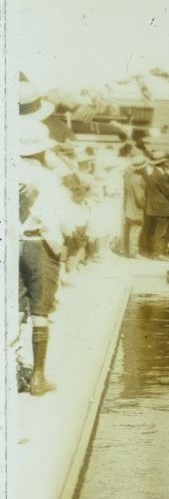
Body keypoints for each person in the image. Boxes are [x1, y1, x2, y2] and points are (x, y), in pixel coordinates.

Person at [16, 111, 77, 395]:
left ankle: (14, 372)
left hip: (11, 244)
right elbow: (63, 219)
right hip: (38, 245)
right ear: (43, 149)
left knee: (13, 309)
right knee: (41, 311)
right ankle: (38, 377)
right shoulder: (46, 178)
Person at [143, 154, 169, 260]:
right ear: (163, 165)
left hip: (151, 207)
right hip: (161, 208)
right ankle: (158, 253)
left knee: (153, 230)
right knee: (161, 231)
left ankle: (152, 252)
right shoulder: (160, 176)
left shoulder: (150, 175)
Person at [121, 152, 147, 258]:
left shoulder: (129, 177)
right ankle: (133, 252)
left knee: (130, 229)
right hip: (135, 208)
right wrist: (144, 205)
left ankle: (128, 250)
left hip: (128, 206)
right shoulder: (138, 179)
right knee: (135, 230)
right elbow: (140, 197)